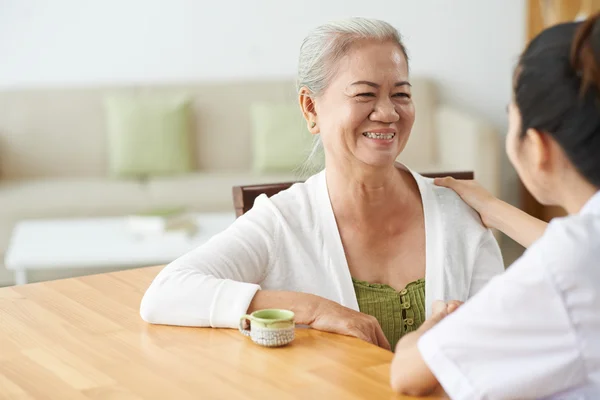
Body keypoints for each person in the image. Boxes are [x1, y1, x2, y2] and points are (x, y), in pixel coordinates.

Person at [139, 17, 504, 351]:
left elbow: (502, 346)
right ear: (311, 109)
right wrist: (313, 309)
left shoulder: (458, 214)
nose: (389, 112)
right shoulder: (282, 222)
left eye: (401, 94)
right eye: (365, 94)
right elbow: (166, 293)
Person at [391, 14, 600, 399]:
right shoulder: (582, 249)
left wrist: (426, 331)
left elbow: (408, 374)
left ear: (537, 148)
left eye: (511, 117)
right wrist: (493, 207)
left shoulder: (565, 267)